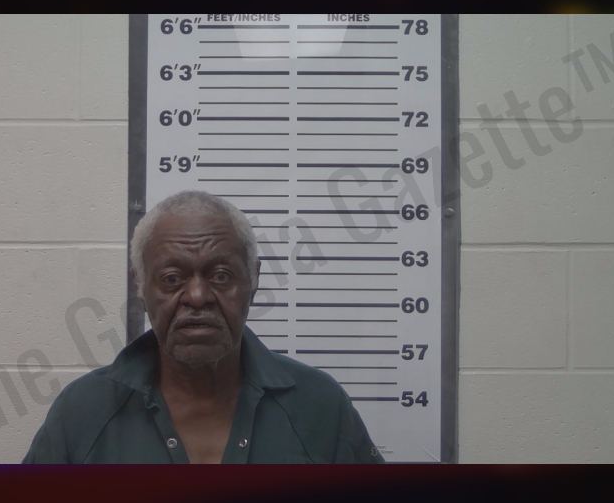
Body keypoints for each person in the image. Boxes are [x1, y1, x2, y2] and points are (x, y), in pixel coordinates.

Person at [23, 190, 383, 464]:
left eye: (221, 275)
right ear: (140, 287)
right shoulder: (82, 412)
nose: (197, 296)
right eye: (172, 278)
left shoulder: (320, 407)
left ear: (253, 280)